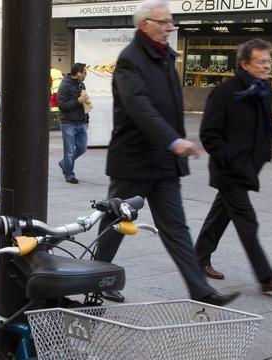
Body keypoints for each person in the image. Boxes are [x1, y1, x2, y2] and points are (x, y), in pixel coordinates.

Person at [94, 0, 239, 306]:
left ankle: (201, 290)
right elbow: (139, 108)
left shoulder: (164, 58)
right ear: (144, 24)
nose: (170, 27)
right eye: (164, 22)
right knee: (115, 225)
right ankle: (96, 279)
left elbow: (168, 109)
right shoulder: (130, 60)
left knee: (176, 228)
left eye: (171, 21)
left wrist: (174, 145)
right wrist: (174, 141)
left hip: (163, 164)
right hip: (134, 161)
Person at [194, 38, 272, 293]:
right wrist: (229, 158)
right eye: (261, 61)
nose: (267, 66)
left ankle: (198, 258)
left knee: (220, 214)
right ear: (245, 64)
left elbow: (268, 130)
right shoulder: (224, 92)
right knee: (247, 222)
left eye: (269, 61)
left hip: (249, 167)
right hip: (229, 170)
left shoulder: (262, 91)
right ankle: (267, 277)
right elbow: (209, 135)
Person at [57, 63, 89, 184]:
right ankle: (69, 175)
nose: (86, 75)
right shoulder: (64, 85)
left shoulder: (81, 84)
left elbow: (85, 103)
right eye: (85, 72)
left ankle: (64, 163)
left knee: (82, 148)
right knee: (69, 151)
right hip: (68, 123)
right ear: (78, 73)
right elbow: (61, 105)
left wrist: (87, 119)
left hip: (81, 121)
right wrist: (77, 101)